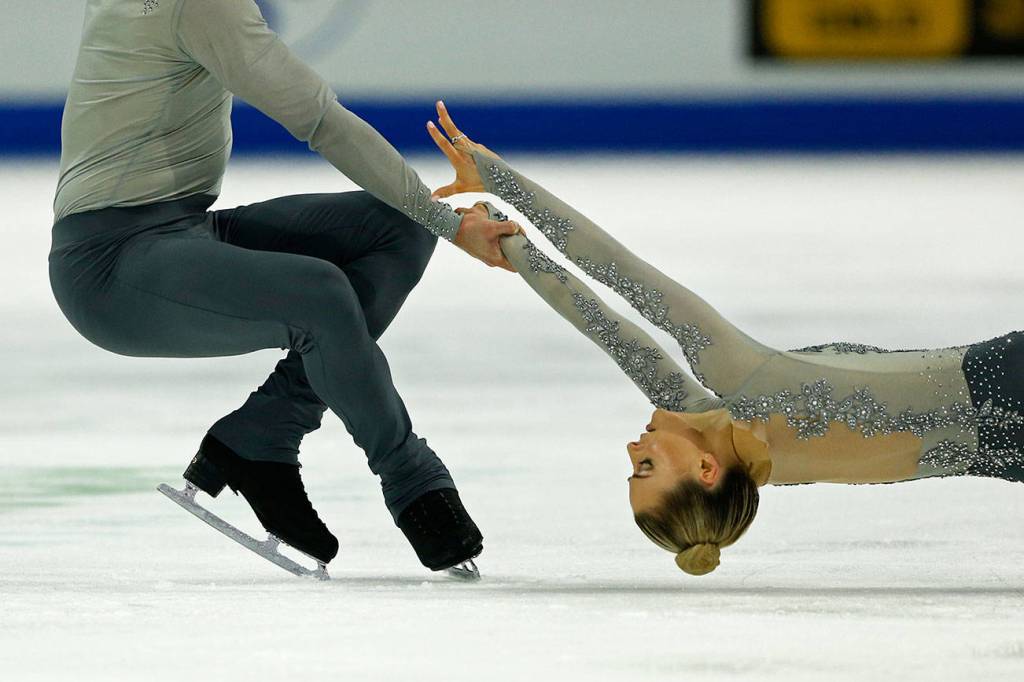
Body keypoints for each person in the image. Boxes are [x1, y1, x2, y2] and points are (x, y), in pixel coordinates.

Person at [425, 102, 1024, 576]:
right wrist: (503, 196)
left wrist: (513, 242)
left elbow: (606, 317)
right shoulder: (745, 386)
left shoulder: (763, 462)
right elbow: (622, 284)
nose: (632, 451)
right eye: (646, 467)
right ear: (707, 469)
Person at [47, 0, 521, 573]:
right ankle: (411, 480)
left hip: (188, 232)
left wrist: (432, 219)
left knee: (398, 227)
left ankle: (264, 434)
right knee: (317, 292)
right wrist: (452, 223)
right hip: (110, 266)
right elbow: (319, 119)